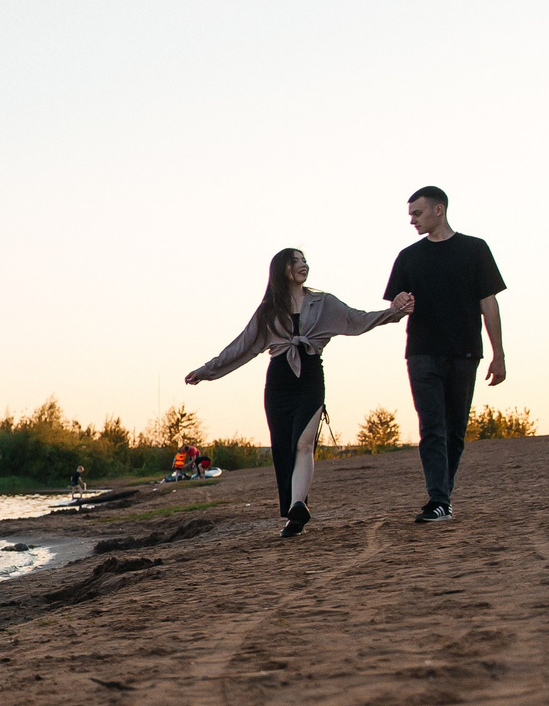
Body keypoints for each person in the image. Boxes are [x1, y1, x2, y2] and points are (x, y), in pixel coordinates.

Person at [187, 249, 413, 538]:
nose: (303, 264)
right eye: (296, 261)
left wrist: (395, 312)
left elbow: (357, 320)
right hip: (279, 382)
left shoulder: (324, 302)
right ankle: (295, 516)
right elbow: (242, 346)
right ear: (282, 269)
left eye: (304, 260)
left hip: (310, 377)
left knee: (304, 444)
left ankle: (297, 506)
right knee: (284, 448)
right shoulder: (269, 310)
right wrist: (207, 370)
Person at [385, 186, 506, 523]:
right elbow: (395, 307)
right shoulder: (408, 257)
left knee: (454, 430)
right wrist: (398, 304)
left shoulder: (475, 249)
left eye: (417, 213)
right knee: (432, 428)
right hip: (422, 353)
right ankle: (438, 500)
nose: (412, 220)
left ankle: (443, 498)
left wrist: (498, 354)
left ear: (439, 210)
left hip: (464, 352)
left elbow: (489, 303)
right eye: (410, 215)